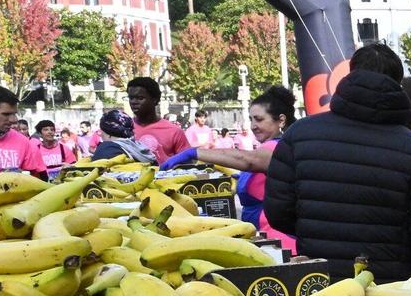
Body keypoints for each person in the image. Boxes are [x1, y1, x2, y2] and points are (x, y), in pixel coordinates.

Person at [265, 43, 411, 280]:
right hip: (390, 283)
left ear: (351, 73)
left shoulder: (299, 135)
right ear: (397, 83)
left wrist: (317, 232)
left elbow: (278, 212)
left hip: (319, 278)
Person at [177, 86, 296, 254]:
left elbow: (246, 160)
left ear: (281, 120)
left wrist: (195, 153)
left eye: (259, 119)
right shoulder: (267, 147)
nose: (253, 126)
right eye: (251, 120)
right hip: (263, 235)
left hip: (278, 242)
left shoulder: (275, 147)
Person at [124, 78, 189, 161]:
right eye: (131, 98)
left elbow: (187, 163)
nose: (133, 102)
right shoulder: (123, 129)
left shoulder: (174, 131)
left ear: (155, 100)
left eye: (140, 98)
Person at [89, 109, 158, 165]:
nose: (100, 134)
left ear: (109, 133)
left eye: (101, 131)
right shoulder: (141, 148)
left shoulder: (106, 149)